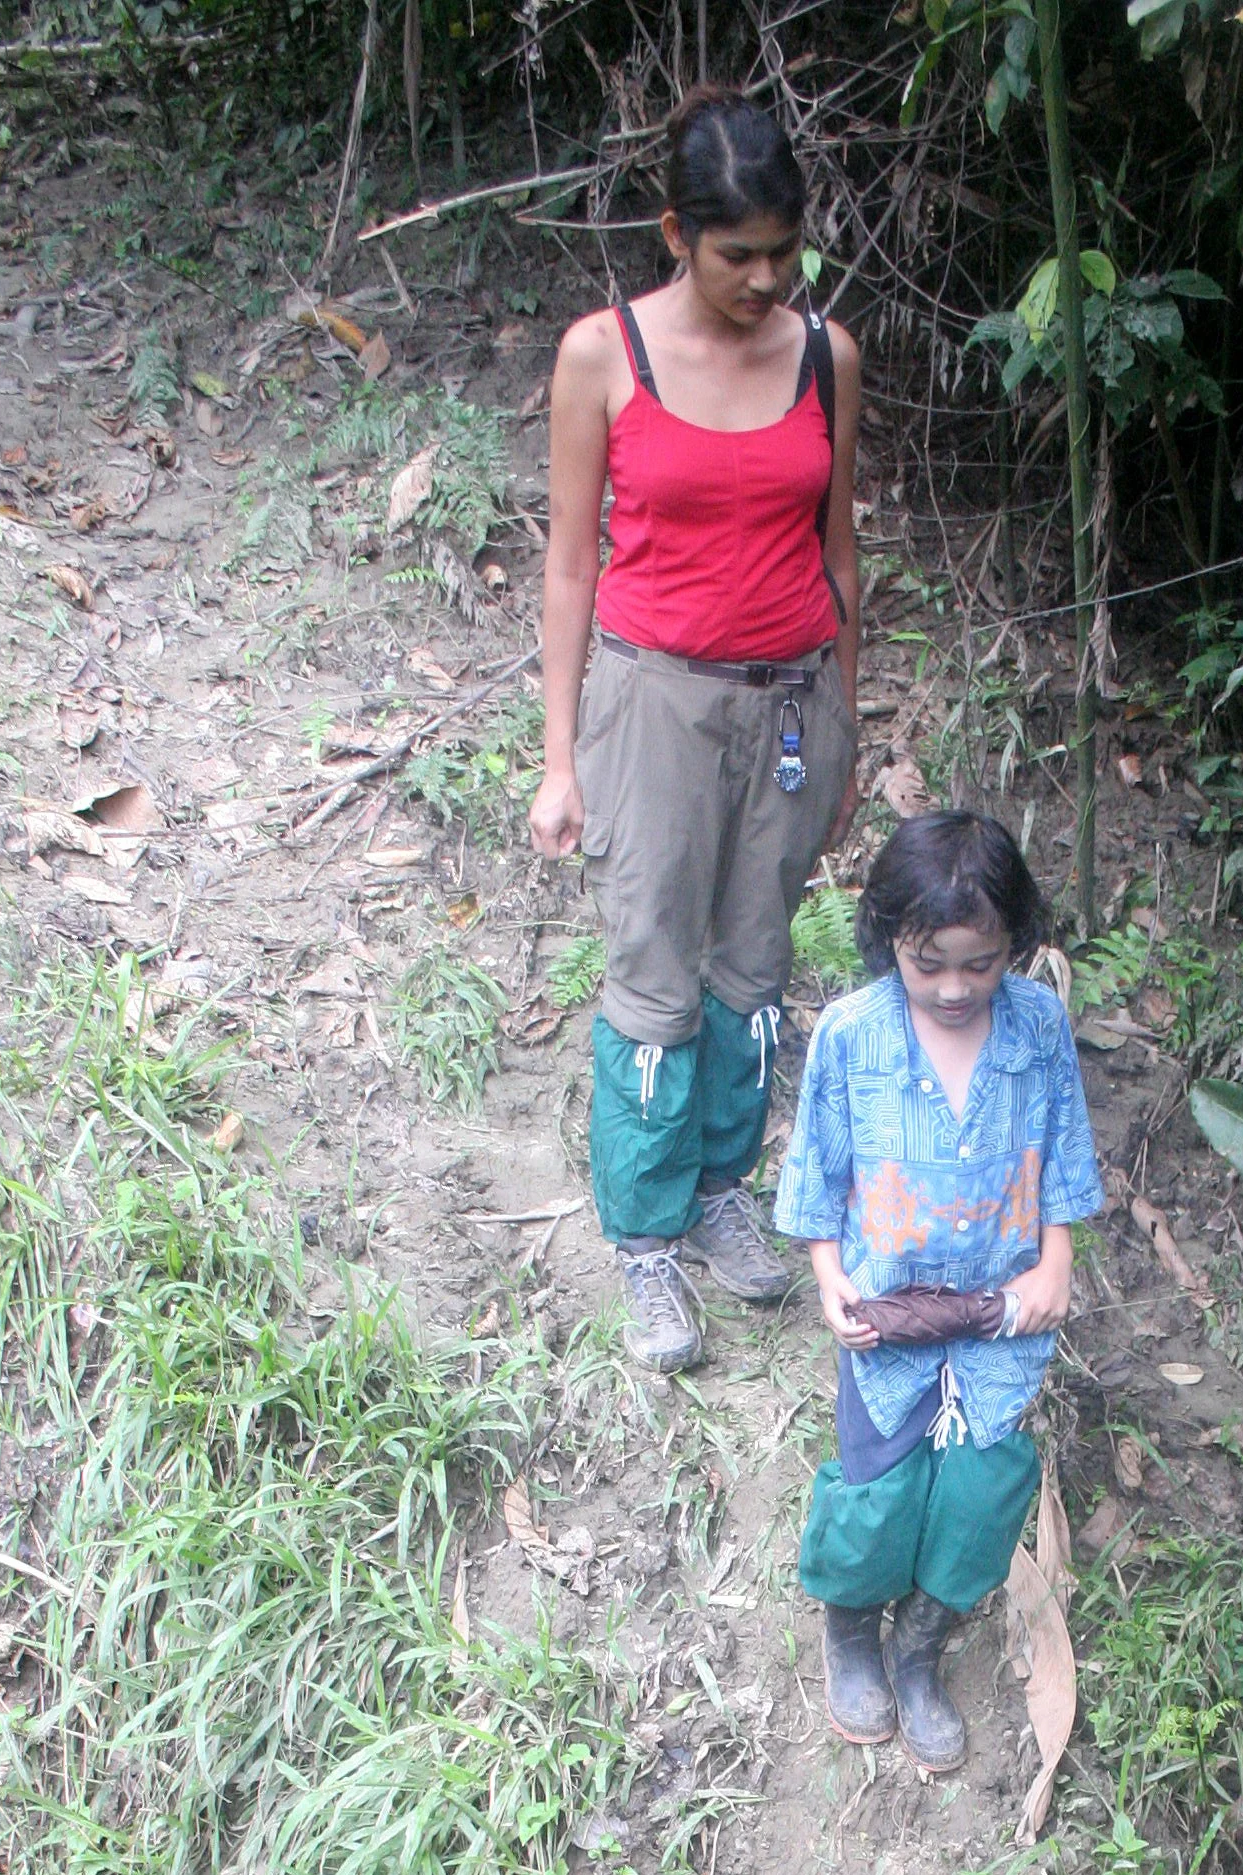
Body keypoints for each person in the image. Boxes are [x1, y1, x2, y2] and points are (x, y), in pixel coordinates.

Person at [528, 86, 861, 1375]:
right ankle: (647, 1243)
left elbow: (840, 556)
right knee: (654, 976)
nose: (765, 279)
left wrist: (845, 716)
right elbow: (568, 566)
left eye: (785, 251)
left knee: (752, 970)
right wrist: (561, 759)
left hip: (788, 703)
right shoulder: (600, 355)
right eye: (738, 255)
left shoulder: (825, 355)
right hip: (651, 701)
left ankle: (725, 1191)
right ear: (676, 234)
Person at [773, 813, 1103, 1776]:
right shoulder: (852, 1035)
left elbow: (1067, 1149)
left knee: (981, 1491)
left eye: (981, 963)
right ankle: (850, 1632)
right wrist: (830, 1278)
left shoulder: (1038, 1026)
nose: (955, 987)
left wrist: (1056, 1262)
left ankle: (919, 1649)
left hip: (1004, 1321)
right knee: (875, 1490)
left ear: (1016, 947)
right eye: (930, 965)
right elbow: (819, 1169)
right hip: (888, 1318)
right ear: (889, 943)